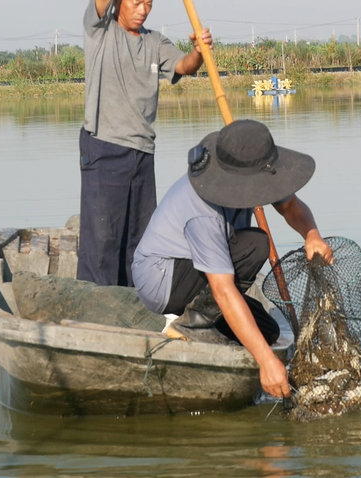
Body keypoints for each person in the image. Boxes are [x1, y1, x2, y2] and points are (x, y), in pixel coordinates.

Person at [132, 120, 333, 399]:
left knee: (268, 332)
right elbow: (223, 291)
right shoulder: (203, 211)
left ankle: (203, 318)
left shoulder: (251, 173)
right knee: (255, 245)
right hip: (162, 278)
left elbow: (290, 206)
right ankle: (188, 324)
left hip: (199, 270)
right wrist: (266, 363)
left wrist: (312, 235)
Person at [79, 0, 213, 286]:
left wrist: (198, 53)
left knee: (139, 238)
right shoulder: (100, 30)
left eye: (148, 4)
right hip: (104, 147)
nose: (143, 9)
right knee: (103, 240)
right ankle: (98, 305)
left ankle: (134, 300)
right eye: (136, 2)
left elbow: (184, 66)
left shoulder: (155, 42)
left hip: (142, 152)